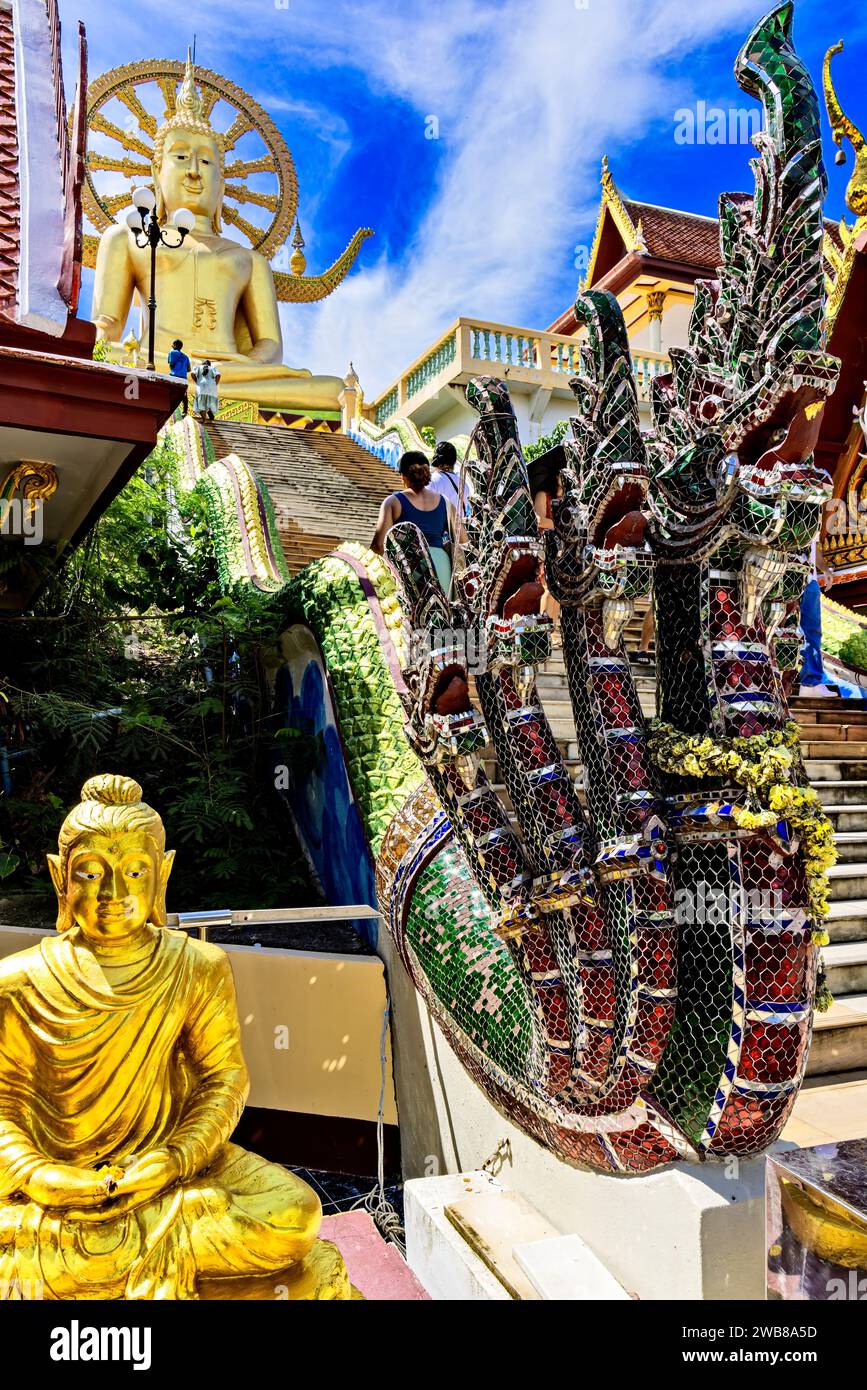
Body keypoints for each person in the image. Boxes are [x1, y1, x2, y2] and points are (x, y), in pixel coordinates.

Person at [372, 450, 458, 592]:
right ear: (426, 474)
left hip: (410, 565)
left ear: (403, 476)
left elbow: (379, 546)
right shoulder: (445, 502)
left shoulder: (393, 502)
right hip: (442, 565)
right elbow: (463, 540)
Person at [800, 534, 835, 694]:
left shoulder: (815, 513)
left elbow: (816, 549)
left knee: (813, 632)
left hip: (810, 581)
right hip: (786, 576)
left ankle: (812, 683)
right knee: (782, 630)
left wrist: (825, 569)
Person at [430, 441, 471, 514]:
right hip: (461, 524)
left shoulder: (432, 480)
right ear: (454, 461)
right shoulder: (463, 483)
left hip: (443, 524)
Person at [167, 338, 191, 415]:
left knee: (170, 392)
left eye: (173, 345)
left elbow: (171, 365)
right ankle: (185, 411)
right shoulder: (186, 357)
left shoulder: (172, 352)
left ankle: (169, 408)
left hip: (174, 376)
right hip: (183, 377)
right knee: (184, 394)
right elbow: (189, 369)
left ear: (175, 345)